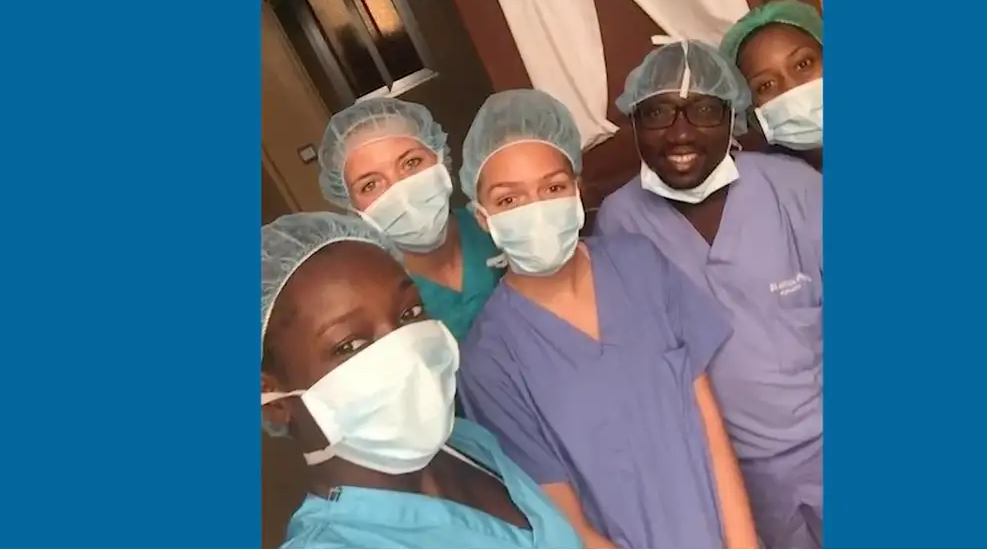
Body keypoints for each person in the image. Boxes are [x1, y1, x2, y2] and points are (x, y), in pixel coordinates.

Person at [455, 89, 759, 549]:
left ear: (577, 190)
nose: (535, 209)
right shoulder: (489, 360)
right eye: (509, 200)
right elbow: (567, 523)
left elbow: (709, 427)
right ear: (482, 219)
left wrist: (744, 544)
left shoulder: (639, 264)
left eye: (552, 188)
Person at [596, 39, 823, 549]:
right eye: (657, 113)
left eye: (703, 110)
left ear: (733, 116)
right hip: (732, 473)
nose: (680, 132)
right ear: (633, 122)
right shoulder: (620, 221)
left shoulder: (795, 189)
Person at [260, 211, 583, 549]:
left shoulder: (466, 443)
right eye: (349, 345)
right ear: (274, 399)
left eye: (410, 312)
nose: (407, 349)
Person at [318, 97, 502, 343]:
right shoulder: (372, 291)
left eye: (411, 163)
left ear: (440, 159)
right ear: (352, 207)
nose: (401, 191)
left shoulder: (497, 225)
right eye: (370, 184)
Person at [720, 0, 824, 172]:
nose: (792, 88)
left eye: (803, 64)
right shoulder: (769, 188)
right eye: (766, 85)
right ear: (751, 112)